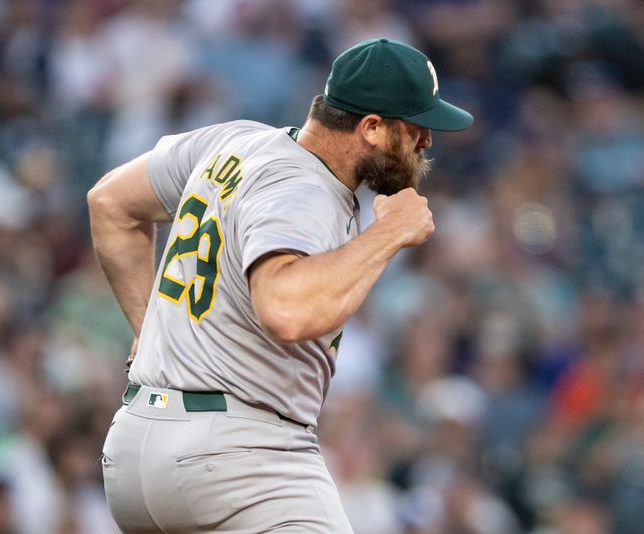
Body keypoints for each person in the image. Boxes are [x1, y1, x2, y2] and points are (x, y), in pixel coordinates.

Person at [87, 38, 473, 533]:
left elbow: (110, 203)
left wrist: (147, 329)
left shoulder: (233, 142)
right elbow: (285, 311)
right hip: (237, 458)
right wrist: (390, 233)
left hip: (136, 447)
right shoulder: (305, 186)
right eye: (416, 128)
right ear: (372, 128)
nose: (428, 142)